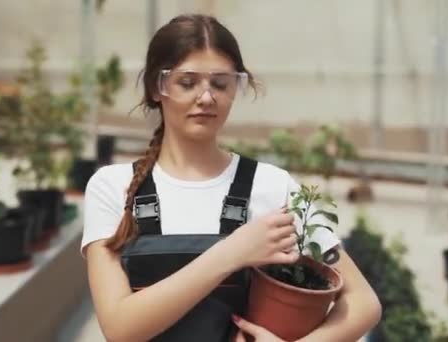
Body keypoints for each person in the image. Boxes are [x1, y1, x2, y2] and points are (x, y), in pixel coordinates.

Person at [81, 14, 382, 342]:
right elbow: (120, 328)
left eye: (221, 84)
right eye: (187, 82)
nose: (206, 97)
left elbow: (363, 302)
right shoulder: (113, 188)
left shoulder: (272, 187)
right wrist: (231, 253)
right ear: (157, 87)